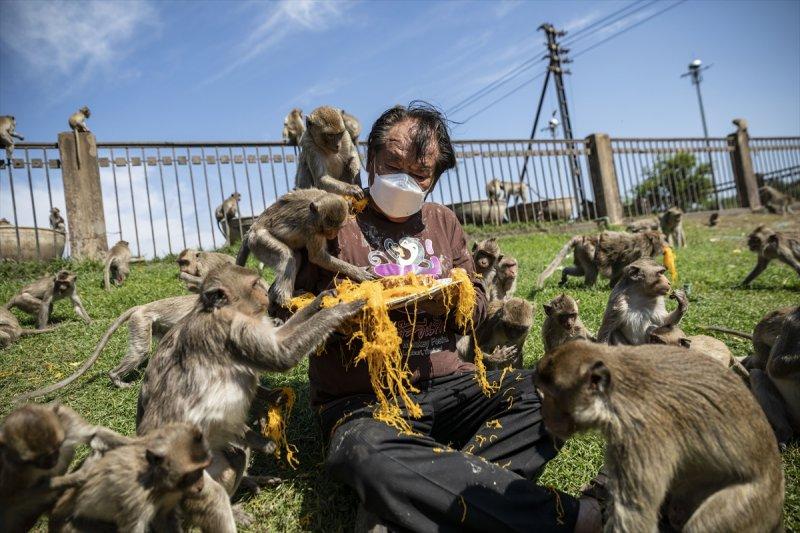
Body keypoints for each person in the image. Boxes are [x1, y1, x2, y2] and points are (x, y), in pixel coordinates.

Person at [294, 102, 601, 532]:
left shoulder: (444, 221)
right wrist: (345, 311)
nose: (404, 181)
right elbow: (290, 316)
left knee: (552, 389)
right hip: (365, 404)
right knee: (359, 450)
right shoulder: (331, 218)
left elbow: (476, 303)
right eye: (392, 165)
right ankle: (570, 519)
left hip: (457, 387)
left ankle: (414, 496)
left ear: (435, 177)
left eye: (420, 174)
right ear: (368, 161)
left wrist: (454, 299)